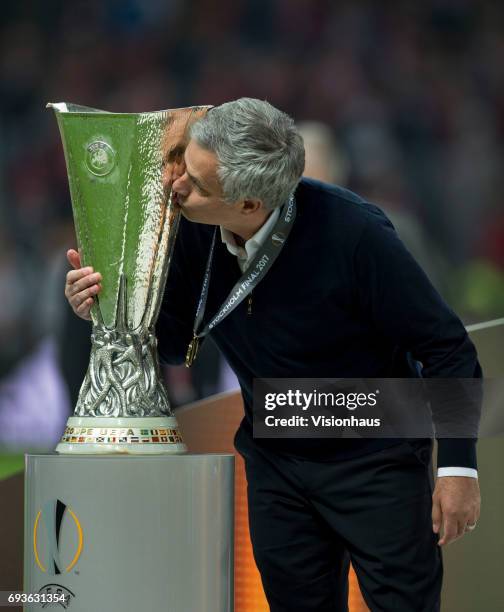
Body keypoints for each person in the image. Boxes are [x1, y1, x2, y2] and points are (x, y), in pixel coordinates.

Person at [65, 98, 481, 612]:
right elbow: (173, 343)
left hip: (376, 459)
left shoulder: (357, 235)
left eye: (197, 184)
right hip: (277, 464)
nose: (176, 188)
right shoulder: (191, 227)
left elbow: (448, 349)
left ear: (248, 205)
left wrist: (458, 469)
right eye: (185, 167)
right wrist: (106, 309)